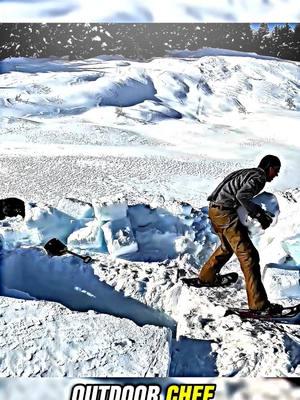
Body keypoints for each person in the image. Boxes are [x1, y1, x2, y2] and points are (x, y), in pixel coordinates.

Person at [195, 155, 282, 314]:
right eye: (275, 170)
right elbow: (241, 196)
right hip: (225, 214)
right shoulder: (258, 178)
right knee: (249, 256)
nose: (276, 174)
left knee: (227, 247)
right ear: (268, 167)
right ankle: (259, 306)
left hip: (214, 210)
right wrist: (259, 214)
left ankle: (207, 278)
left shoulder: (247, 172)